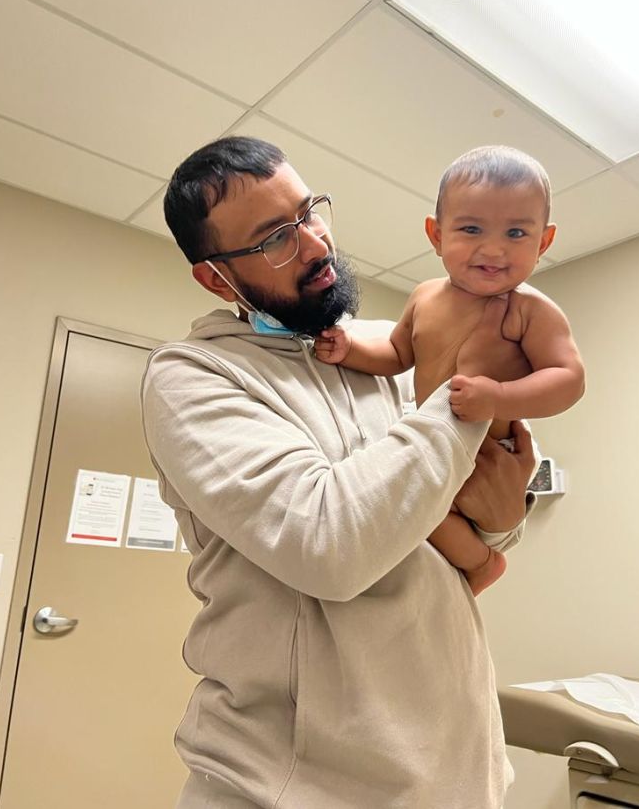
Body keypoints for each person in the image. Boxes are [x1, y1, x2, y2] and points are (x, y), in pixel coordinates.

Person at [141, 135, 537, 809]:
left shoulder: (390, 350)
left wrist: (503, 521)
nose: (314, 243)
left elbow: (477, 521)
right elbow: (332, 547)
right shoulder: (193, 377)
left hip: (458, 772)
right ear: (216, 278)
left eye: (308, 211)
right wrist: (473, 382)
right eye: (274, 238)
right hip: (293, 787)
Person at [315, 145, 585, 597]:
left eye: (516, 232)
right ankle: (472, 567)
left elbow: (569, 379)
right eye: (472, 228)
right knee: (411, 511)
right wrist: (350, 349)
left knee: (425, 513)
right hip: (435, 446)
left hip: (488, 450)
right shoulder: (424, 296)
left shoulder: (530, 310)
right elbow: (397, 353)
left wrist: (498, 398)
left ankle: (481, 564)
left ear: (543, 243)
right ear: (437, 235)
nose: (493, 248)